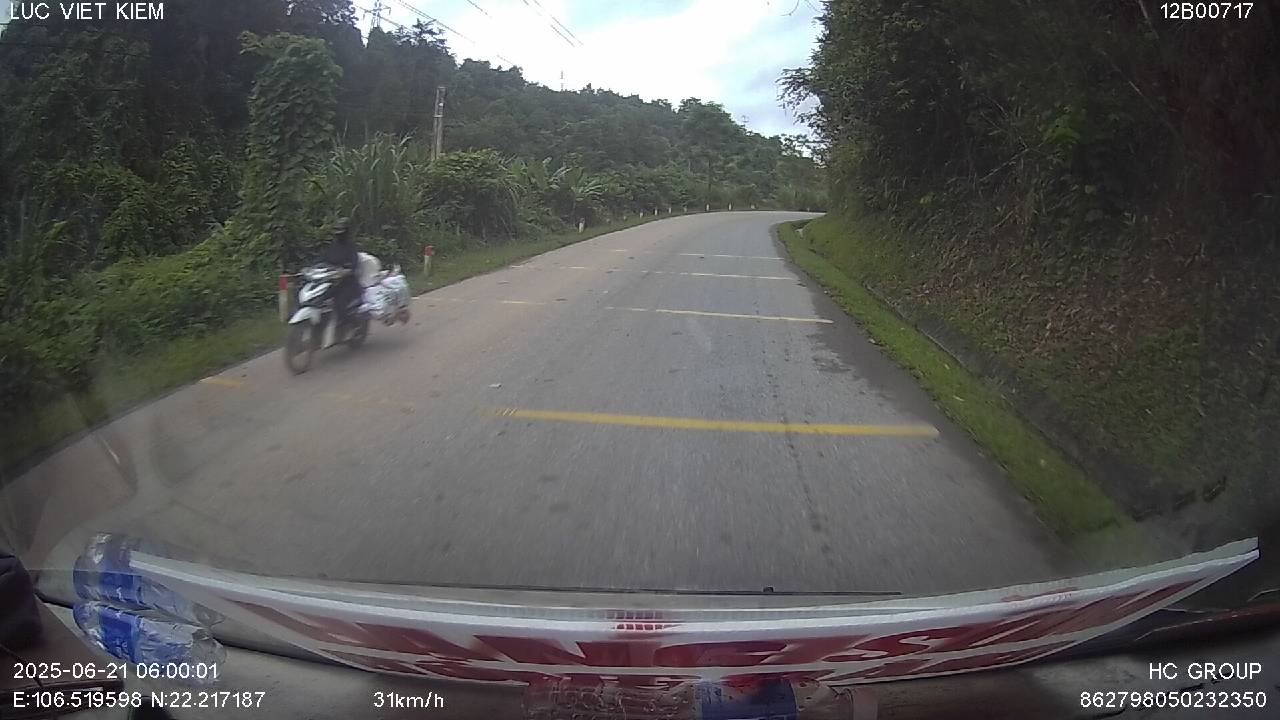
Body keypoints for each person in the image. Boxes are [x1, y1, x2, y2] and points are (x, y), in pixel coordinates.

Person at [322, 217, 362, 330]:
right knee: (316, 299)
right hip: (330, 281)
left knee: (339, 304)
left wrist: (345, 271)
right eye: (337, 231)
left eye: (341, 231)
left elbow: (354, 265)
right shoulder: (332, 246)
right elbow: (322, 259)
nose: (339, 234)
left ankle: (350, 324)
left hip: (347, 284)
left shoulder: (351, 247)